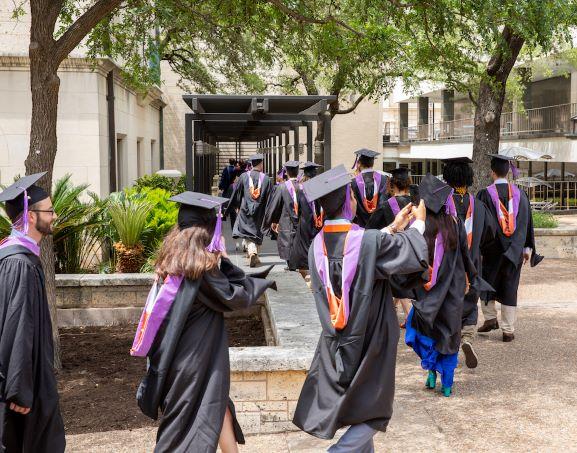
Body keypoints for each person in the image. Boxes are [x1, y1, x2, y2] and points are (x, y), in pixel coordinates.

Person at [293, 165, 428, 452]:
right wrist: (418, 225)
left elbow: (359, 250)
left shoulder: (317, 244)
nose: (355, 200)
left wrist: (393, 227)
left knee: (360, 405)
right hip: (372, 336)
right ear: (347, 201)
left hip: (337, 337)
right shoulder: (367, 241)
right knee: (375, 409)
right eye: (351, 196)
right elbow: (405, 255)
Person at [132, 191, 276, 453]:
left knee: (217, 405)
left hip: (178, 355)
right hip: (197, 359)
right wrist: (231, 263)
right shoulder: (202, 269)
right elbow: (236, 297)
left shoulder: (173, 260)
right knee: (183, 431)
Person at [0, 173, 66, 453]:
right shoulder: (19, 264)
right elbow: (17, 326)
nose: (53, 216)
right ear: (29, 215)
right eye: (49, 210)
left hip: (25, 378)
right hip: (22, 386)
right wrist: (20, 390)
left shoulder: (16, 257)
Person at [405, 174, 482, 397]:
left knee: (427, 330)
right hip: (452, 288)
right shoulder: (455, 223)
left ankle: (431, 374)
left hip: (426, 290)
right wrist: (470, 276)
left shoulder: (417, 227)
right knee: (449, 333)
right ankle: (447, 384)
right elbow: (467, 256)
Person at [476, 154, 543, 342]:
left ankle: (490, 319)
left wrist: (477, 249)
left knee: (486, 280)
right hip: (515, 251)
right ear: (508, 172)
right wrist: (527, 248)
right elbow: (527, 223)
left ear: (492, 172)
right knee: (510, 286)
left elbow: (479, 224)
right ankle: (508, 330)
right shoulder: (521, 195)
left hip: (491, 250)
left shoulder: (483, 194)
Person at [442, 157, 495, 368]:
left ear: (447, 177)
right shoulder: (479, 206)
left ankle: (450, 342)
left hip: (447, 264)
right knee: (470, 303)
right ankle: (467, 338)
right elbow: (490, 234)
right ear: (469, 178)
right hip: (472, 263)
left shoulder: (441, 204)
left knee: (447, 302)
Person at [373, 167, 414, 325]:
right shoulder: (415, 204)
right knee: (401, 282)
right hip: (414, 248)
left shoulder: (386, 205)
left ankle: (410, 316)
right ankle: (397, 310)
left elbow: (373, 227)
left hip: (394, 250)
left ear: (392, 184)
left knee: (397, 282)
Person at [226, 154, 273, 267]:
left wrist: (234, 207)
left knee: (247, 233)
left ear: (252, 164)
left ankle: (252, 253)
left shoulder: (243, 176)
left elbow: (237, 193)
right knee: (257, 232)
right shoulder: (266, 179)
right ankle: (255, 255)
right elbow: (270, 197)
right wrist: (270, 213)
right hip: (260, 211)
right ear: (261, 164)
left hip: (245, 209)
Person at [262, 161, 301, 267]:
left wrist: (271, 221)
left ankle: (290, 264)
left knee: (287, 244)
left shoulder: (282, 187)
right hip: (301, 222)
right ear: (297, 172)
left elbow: (275, 205)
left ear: (286, 172)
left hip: (286, 222)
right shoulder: (303, 186)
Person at [288, 162, 323, 275]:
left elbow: (296, 208)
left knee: (303, 247)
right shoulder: (322, 188)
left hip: (305, 222)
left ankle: (306, 271)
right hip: (319, 222)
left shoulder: (300, 190)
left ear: (305, 175)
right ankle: (316, 269)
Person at [350, 149, 389, 228]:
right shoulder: (384, 179)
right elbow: (385, 204)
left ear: (359, 163)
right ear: (373, 163)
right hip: (380, 228)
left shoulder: (353, 182)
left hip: (360, 228)